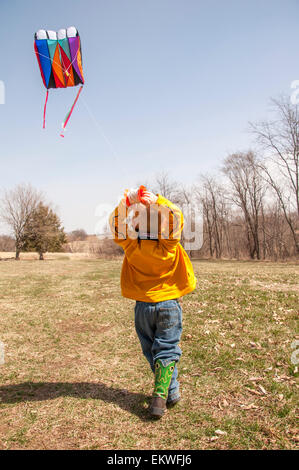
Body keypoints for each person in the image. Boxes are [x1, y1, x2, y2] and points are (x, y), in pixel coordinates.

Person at [109, 186, 196, 418]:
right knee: (166, 350)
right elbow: (176, 216)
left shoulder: (131, 245)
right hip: (169, 305)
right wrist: (158, 201)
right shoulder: (168, 245)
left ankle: (170, 392)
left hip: (143, 308)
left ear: (135, 227)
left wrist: (127, 202)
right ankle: (162, 393)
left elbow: (115, 224)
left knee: (151, 352)